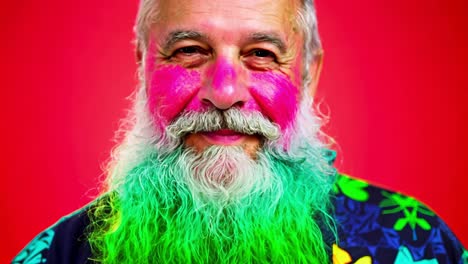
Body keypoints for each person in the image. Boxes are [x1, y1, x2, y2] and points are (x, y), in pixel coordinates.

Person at [13, 0, 467, 263]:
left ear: (309, 73)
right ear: (143, 67)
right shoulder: (59, 256)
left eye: (262, 54)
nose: (225, 93)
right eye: (190, 51)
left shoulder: (415, 242)